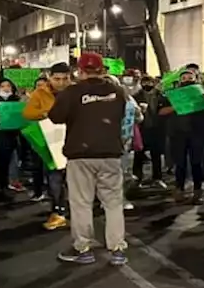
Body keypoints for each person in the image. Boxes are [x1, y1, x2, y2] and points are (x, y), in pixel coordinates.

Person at [48, 53, 130, 265]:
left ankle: (83, 248)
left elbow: (55, 116)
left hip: (81, 154)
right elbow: (120, 114)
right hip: (110, 153)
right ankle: (117, 249)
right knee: (113, 203)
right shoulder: (117, 91)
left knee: (81, 203)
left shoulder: (72, 91)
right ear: (102, 69)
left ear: (80, 70)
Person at [24, 63, 71, 229]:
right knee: (54, 177)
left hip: (74, 140)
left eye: (65, 78)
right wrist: (46, 114)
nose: (61, 82)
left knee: (74, 179)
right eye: (57, 78)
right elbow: (28, 113)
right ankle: (58, 210)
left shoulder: (75, 91)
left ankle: (71, 209)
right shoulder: (40, 93)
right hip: (52, 142)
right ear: (50, 77)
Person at [164, 68, 204, 205]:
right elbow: (161, 112)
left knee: (197, 162)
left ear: (196, 79)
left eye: (190, 78)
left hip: (198, 132)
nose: (187, 80)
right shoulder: (172, 95)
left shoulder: (203, 93)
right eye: (183, 78)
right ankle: (179, 189)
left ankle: (198, 192)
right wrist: (177, 106)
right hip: (178, 133)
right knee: (180, 163)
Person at [0, 77, 22, 203]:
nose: (6, 88)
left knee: (11, 162)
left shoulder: (17, 101)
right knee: (0, 164)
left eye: (8, 86)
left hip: (13, 137)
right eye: (2, 86)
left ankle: (5, 185)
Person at [132, 75, 167, 188]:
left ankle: (157, 178)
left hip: (157, 128)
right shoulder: (137, 96)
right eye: (144, 82)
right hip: (142, 128)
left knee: (156, 155)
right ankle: (137, 178)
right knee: (139, 155)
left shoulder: (161, 96)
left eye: (149, 82)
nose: (147, 85)